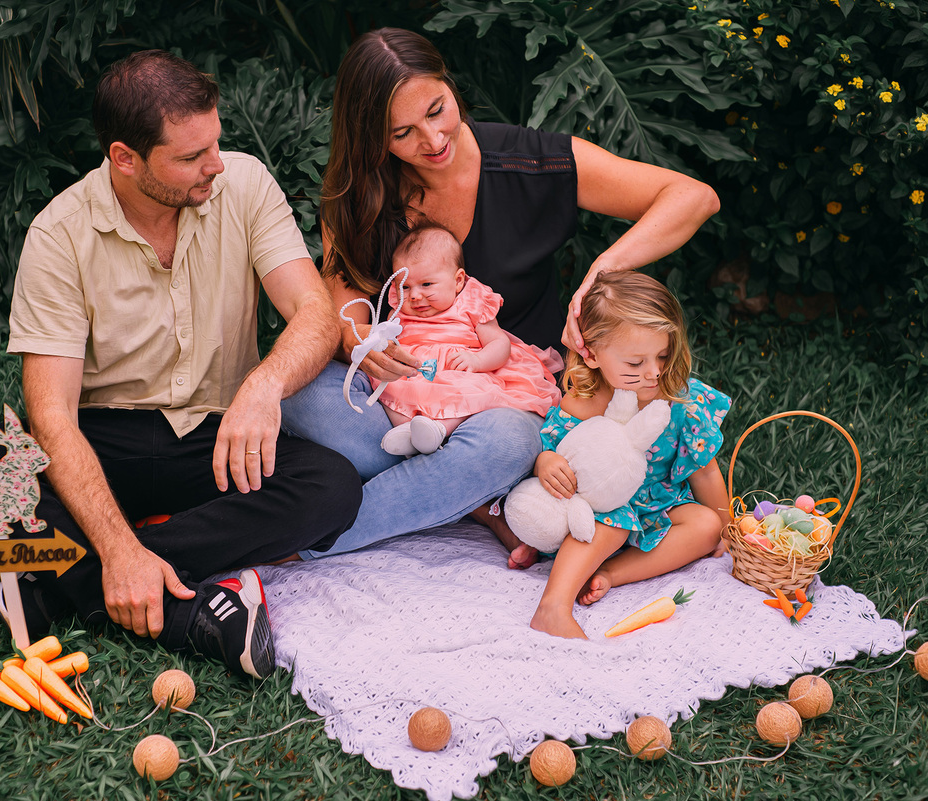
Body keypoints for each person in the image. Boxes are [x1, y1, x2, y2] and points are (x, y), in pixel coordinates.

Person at [0, 50, 362, 680]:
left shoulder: (243, 183)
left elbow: (316, 313)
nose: (214, 165)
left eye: (215, 143)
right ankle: (189, 615)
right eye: (190, 157)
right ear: (124, 159)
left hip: (214, 438)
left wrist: (264, 384)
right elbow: (51, 419)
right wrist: (116, 545)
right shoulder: (58, 235)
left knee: (332, 487)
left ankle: (60, 583)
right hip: (102, 440)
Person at [280, 28, 721, 561]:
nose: (433, 139)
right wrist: (361, 346)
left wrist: (604, 266)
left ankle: (309, 537)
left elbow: (693, 197)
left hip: (503, 405)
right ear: (372, 138)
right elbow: (338, 303)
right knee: (297, 393)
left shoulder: (530, 160)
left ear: (449, 84)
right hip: (399, 396)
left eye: (438, 109)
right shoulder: (361, 194)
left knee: (509, 446)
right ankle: (475, 497)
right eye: (402, 133)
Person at [503, 271, 730, 640]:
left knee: (705, 526)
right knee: (612, 521)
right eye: (635, 364)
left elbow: (704, 472)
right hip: (601, 509)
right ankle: (553, 607)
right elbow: (553, 448)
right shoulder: (583, 401)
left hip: (660, 502)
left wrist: (728, 528)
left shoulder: (679, 400)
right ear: (591, 354)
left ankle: (609, 573)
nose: (654, 372)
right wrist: (546, 462)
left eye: (663, 355)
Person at [373, 223, 561, 457]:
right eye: (406, 286)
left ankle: (439, 430)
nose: (414, 295)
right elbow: (388, 341)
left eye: (427, 285)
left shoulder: (472, 303)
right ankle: (407, 433)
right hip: (416, 372)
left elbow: (499, 344)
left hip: (460, 370)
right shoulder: (400, 308)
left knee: (470, 393)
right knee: (391, 387)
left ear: (458, 280)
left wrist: (477, 361)